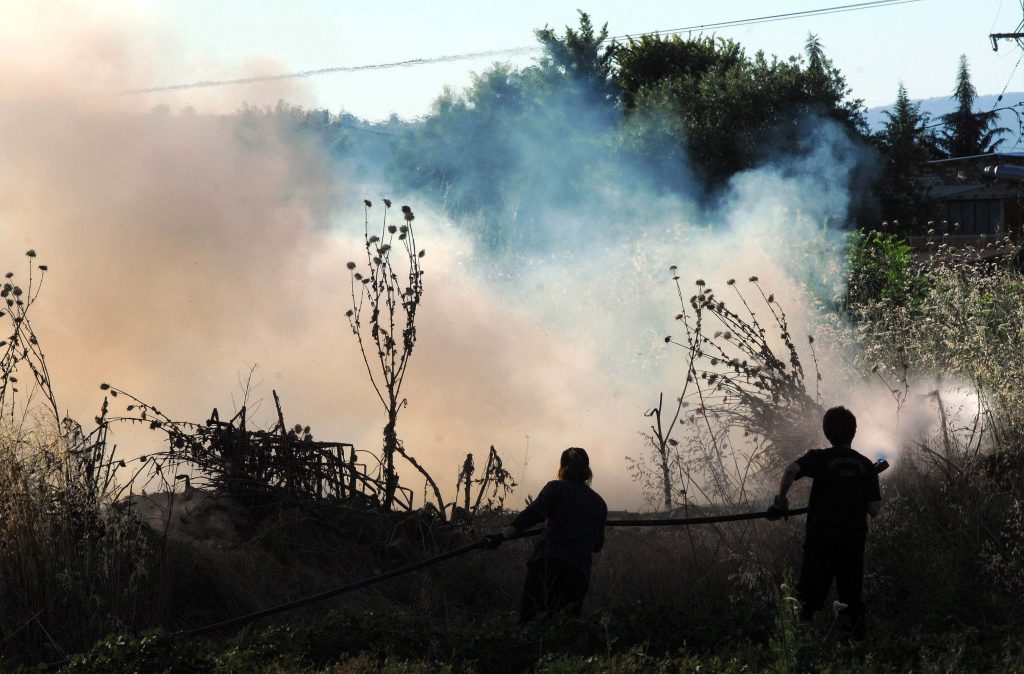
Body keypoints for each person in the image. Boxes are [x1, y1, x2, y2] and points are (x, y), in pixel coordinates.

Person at [772, 406, 882, 639]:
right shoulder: (865, 466)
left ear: (827, 432)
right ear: (854, 431)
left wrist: (781, 502)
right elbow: (875, 510)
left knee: (808, 602)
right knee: (851, 601)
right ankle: (857, 651)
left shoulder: (819, 458)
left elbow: (791, 469)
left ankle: (801, 647)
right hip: (851, 543)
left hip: (820, 541)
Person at [485, 447, 608, 622]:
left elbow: (531, 516)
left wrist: (501, 536)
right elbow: (597, 546)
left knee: (531, 623)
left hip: (547, 564)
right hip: (578, 572)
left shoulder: (555, 488)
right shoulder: (599, 503)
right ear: (588, 472)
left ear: (563, 469)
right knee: (565, 629)